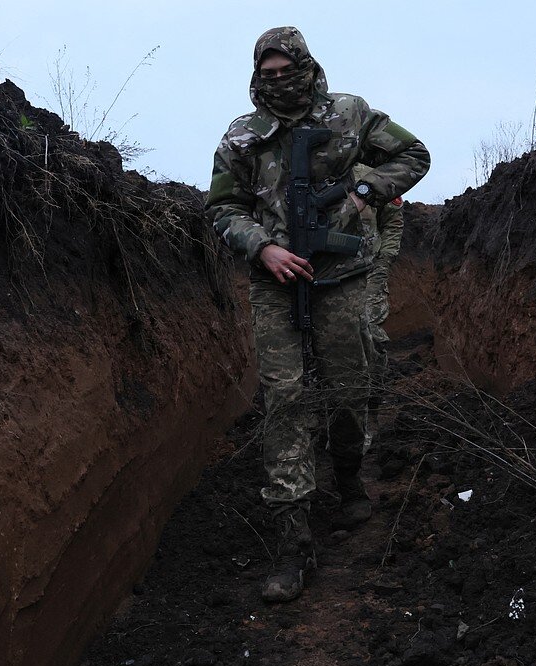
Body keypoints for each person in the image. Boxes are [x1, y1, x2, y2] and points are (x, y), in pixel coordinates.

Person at [205, 26, 429, 602]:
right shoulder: (240, 137)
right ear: (258, 75)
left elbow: (413, 154)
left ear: (307, 65)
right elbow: (223, 207)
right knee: (284, 398)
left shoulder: (350, 114)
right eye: (269, 74)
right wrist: (262, 246)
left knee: (352, 386)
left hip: (344, 275)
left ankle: (350, 479)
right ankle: (292, 539)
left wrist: (366, 192)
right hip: (276, 282)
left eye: (289, 71)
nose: (280, 82)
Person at [353, 164, 404, 451]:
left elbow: (394, 222)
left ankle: (368, 415)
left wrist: (383, 262)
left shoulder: (373, 175)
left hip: (369, 270)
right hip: (323, 271)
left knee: (369, 338)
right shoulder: (311, 165)